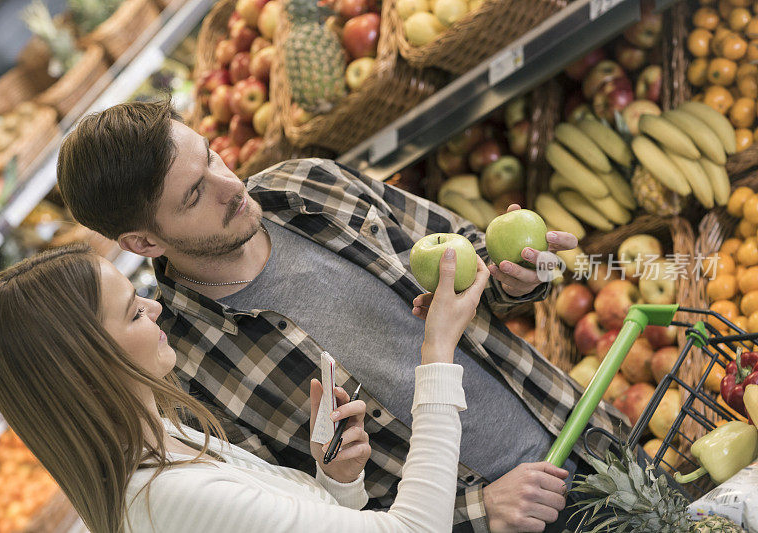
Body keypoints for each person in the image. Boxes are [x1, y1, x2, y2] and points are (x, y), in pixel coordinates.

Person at [57, 101, 630, 532]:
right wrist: (480, 510)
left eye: (211, 155)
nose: (230, 186)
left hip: (579, 434)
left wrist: (515, 276)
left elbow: (466, 257)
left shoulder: (313, 185)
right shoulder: (183, 367)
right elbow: (316, 511)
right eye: (192, 196)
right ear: (142, 241)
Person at [0, 243, 505, 532]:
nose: (155, 308)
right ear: (88, 366)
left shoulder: (163, 439)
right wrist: (437, 351)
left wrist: (335, 482)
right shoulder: (168, 496)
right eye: (134, 312)